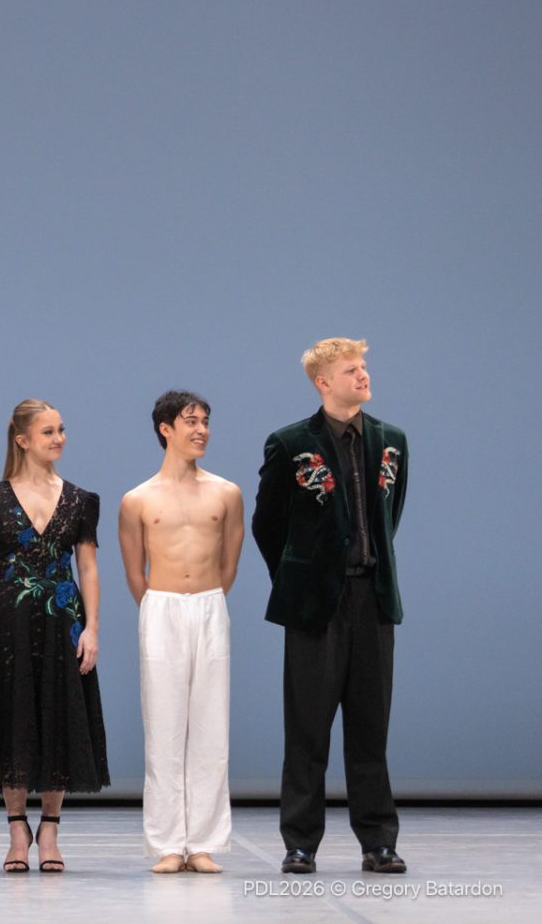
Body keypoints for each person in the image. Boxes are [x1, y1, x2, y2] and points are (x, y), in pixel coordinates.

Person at [251, 339, 408, 876]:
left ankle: (378, 842)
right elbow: (268, 524)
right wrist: (299, 579)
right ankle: (300, 843)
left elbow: (390, 515)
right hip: (315, 605)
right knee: (307, 728)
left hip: (373, 600)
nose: (363, 376)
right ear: (323, 382)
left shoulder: (392, 442)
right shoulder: (291, 443)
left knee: (371, 727)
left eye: (364, 367)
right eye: (351, 370)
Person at [0, 398, 110, 874]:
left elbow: (88, 567)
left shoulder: (82, 500)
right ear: (22, 440)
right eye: (48, 432)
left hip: (63, 619)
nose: (59, 438)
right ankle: (16, 831)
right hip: (9, 621)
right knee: (13, 718)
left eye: (61, 429)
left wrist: (92, 627)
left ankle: (50, 830)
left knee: (60, 716)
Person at [116, 391, 243, 874]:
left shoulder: (226, 493)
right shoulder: (138, 500)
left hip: (209, 606)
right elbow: (135, 573)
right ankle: (169, 843)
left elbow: (229, 565)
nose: (201, 430)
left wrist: (204, 599)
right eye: (191, 421)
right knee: (164, 727)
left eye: (205, 421)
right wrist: (161, 605)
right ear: (165, 429)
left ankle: (204, 842)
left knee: (211, 725)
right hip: (161, 608)